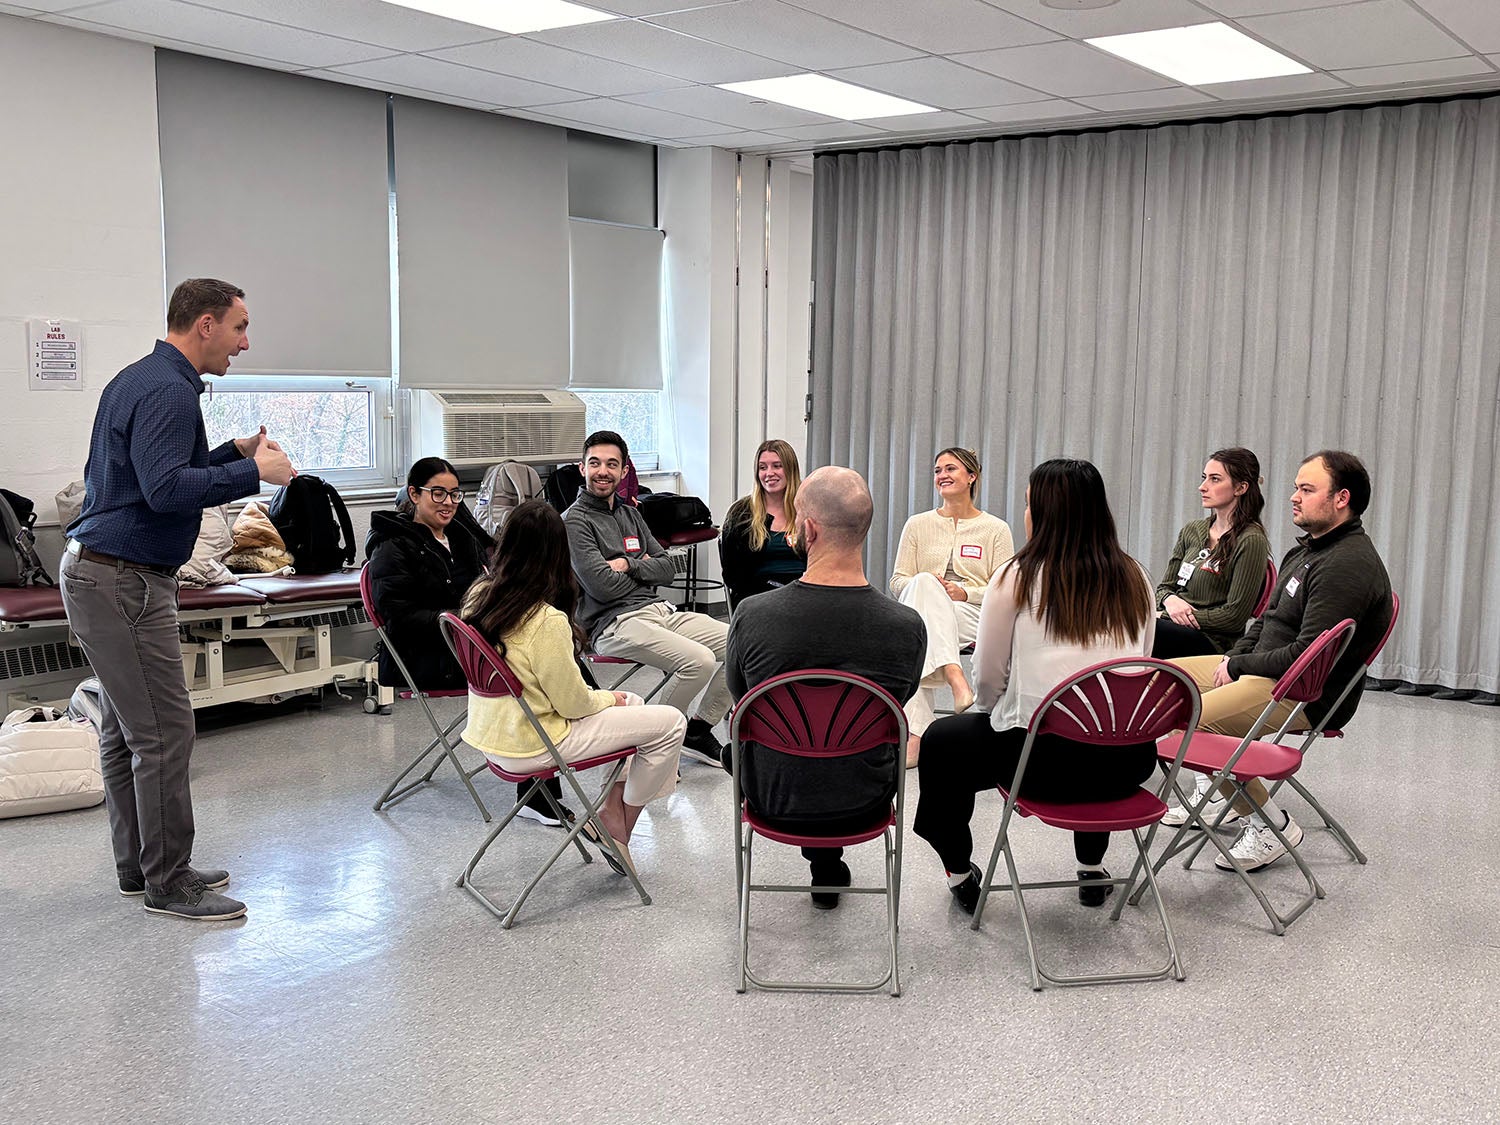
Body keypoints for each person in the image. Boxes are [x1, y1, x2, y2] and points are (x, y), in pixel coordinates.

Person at [59, 278, 295, 922]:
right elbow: (165, 492)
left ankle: (141, 866)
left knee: (125, 728)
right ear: (207, 324)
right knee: (165, 732)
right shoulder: (167, 389)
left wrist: (233, 452)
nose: (246, 343)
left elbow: (151, 477)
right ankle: (170, 881)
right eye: (241, 327)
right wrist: (255, 473)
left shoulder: (140, 378)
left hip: (101, 572)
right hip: (124, 581)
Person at [913, 459, 1157, 914]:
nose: (1024, 514)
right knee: (1097, 719)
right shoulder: (1136, 578)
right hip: (1127, 761)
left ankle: (960, 872)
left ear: (1043, 514)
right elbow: (1136, 667)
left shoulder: (1017, 577)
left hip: (1041, 765)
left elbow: (986, 678)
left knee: (941, 743)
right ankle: (1090, 868)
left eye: (1028, 505)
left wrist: (995, 711)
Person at [1163, 450, 1393, 873]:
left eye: (1307, 490)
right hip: (1267, 672)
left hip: (1304, 693)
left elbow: (1308, 655)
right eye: (1296, 487)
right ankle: (1225, 793)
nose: (1293, 497)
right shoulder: (1307, 551)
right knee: (1166, 683)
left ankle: (1271, 825)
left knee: (1189, 717)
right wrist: (1233, 659)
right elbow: (1264, 621)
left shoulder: (1346, 565)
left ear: (1341, 498)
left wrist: (1238, 670)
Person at [725, 467, 925, 908]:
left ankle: (823, 862)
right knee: (840, 738)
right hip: (866, 797)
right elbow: (897, 704)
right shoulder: (906, 627)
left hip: (772, 794)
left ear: (808, 529)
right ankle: (827, 864)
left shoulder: (753, 615)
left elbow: (741, 700)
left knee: (746, 745)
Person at [461, 501, 685, 875]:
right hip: (536, 742)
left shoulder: (478, 594)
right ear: (557, 552)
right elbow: (573, 705)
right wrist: (608, 697)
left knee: (634, 701)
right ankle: (620, 820)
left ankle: (611, 810)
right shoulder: (544, 618)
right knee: (672, 722)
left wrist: (615, 700)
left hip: (494, 734)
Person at [564, 430, 731, 766]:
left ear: (624, 471)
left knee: (741, 644)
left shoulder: (630, 513)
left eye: (612, 464)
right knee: (697, 661)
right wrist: (644, 569)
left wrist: (626, 564)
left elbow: (670, 568)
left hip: (659, 611)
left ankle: (697, 729)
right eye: (594, 463)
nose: (603, 471)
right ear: (582, 468)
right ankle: (654, 741)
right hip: (612, 625)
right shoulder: (573, 522)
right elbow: (602, 588)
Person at [890, 447, 1014, 769]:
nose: (941, 476)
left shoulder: (996, 529)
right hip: (924, 610)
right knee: (922, 594)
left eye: (950, 469)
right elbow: (897, 581)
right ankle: (954, 676)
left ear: (971, 477)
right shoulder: (917, 525)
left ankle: (915, 735)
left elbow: (1005, 590)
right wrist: (924, 584)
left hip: (974, 616)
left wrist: (964, 592)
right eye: (937, 470)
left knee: (914, 635)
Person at [1152, 448, 1272, 659]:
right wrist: (1170, 600)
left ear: (1241, 487)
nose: (1202, 487)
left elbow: (1234, 617)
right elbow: (1163, 588)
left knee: (1141, 630)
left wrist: (1173, 616)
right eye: (1204, 478)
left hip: (1211, 641)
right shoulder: (1192, 530)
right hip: (1170, 625)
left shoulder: (1251, 540)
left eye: (1215, 479)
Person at [719, 439, 805, 610]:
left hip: (805, 595)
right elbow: (733, 577)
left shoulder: (809, 507)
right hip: (759, 599)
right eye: (763, 468)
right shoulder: (741, 513)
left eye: (777, 466)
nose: (769, 473)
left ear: (791, 469)